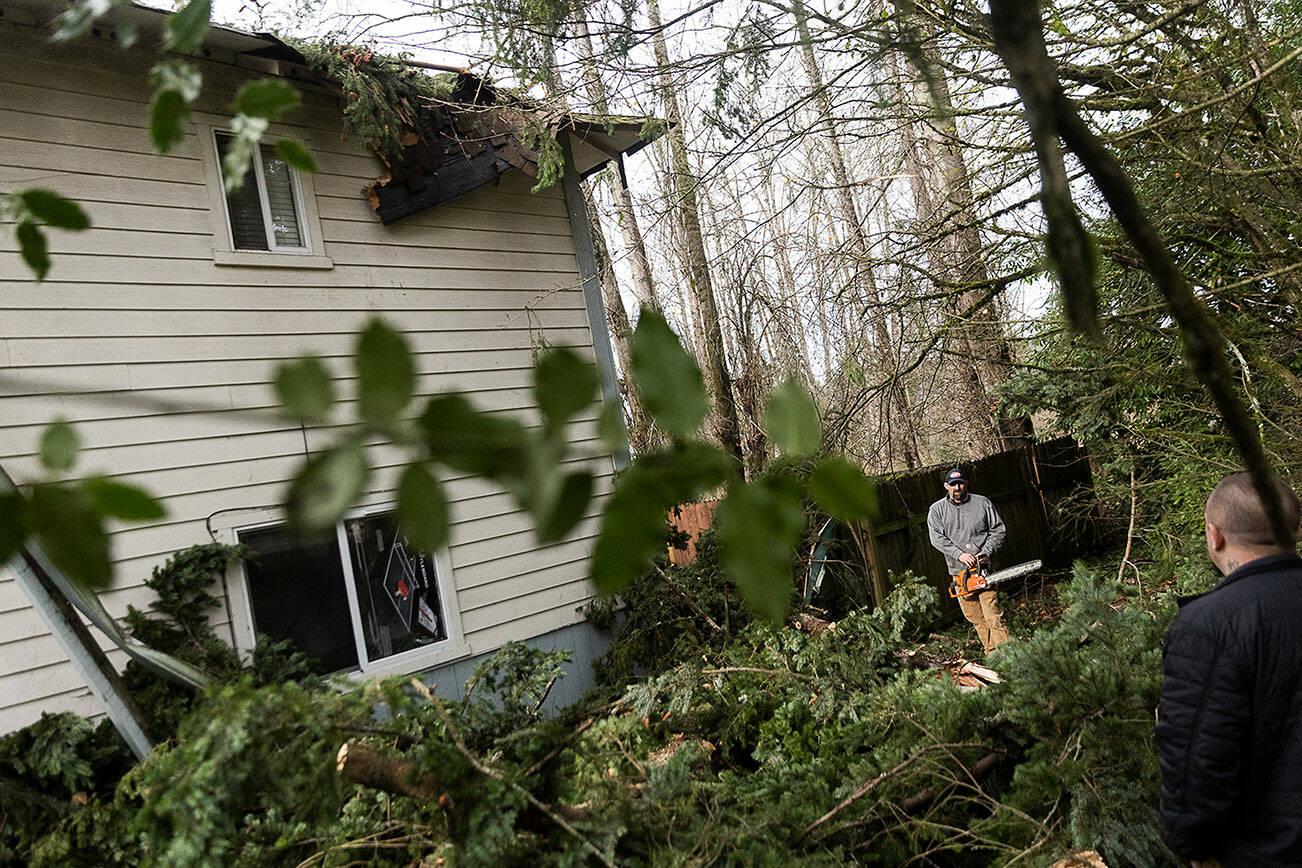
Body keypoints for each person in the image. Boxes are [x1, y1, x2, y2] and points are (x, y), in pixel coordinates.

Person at [1157, 472, 1302, 867]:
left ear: (1214, 535)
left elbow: (1198, 760)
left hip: (1267, 852)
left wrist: (1193, 846)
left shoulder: (1208, 626)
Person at [927, 467, 1009, 654]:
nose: (957, 487)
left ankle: (1009, 656)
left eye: (960, 483)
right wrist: (959, 554)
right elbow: (937, 538)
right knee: (976, 619)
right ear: (946, 486)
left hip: (984, 572)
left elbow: (998, 530)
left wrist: (986, 552)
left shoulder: (982, 503)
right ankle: (994, 656)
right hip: (959, 573)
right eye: (953, 484)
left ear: (966, 483)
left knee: (993, 617)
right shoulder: (937, 510)